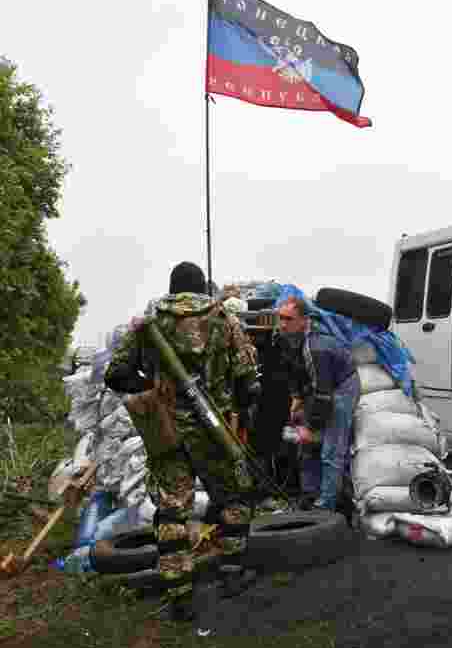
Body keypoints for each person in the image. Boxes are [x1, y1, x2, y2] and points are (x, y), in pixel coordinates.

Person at [104, 261, 262, 621]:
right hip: (214, 431)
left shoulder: (149, 323)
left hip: (167, 430)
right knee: (235, 497)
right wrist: (237, 411)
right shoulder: (225, 319)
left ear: (172, 289)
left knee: (172, 510)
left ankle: (179, 595)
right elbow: (248, 382)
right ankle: (232, 573)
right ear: (201, 287)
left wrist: (153, 388)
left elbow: (116, 374)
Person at [276, 295, 358, 521]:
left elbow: (324, 395)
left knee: (331, 449)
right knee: (307, 447)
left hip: (341, 387)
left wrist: (310, 427)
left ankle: (327, 505)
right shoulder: (287, 338)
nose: (282, 324)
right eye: (280, 318)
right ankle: (310, 494)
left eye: (288, 319)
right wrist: (297, 401)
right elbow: (295, 372)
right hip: (317, 388)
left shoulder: (317, 347)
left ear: (304, 320)